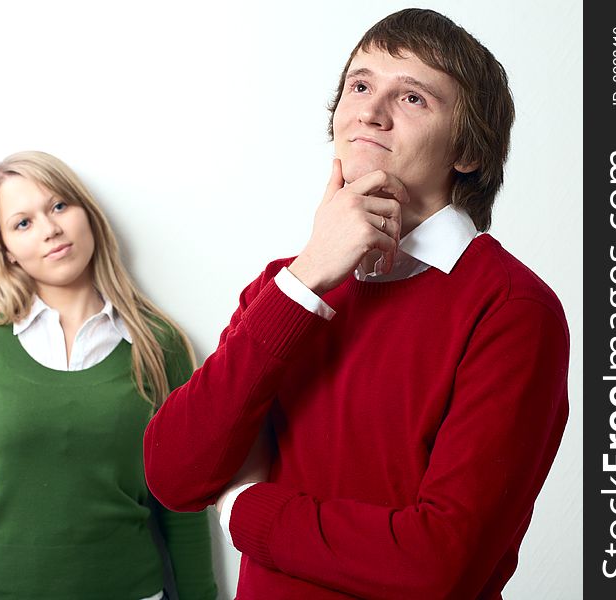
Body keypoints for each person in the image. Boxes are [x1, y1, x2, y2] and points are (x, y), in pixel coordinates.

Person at [144, 8, 569, 600]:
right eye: (361, 86)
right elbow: (173, 474)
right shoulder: (287, 287)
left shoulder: (512, 308)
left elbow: (435, 567)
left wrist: (245, 509)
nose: (371, 110)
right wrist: (308, 277)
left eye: (413, 98)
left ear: (468, 150)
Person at [0, 151, 217, 600]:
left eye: (59, 205)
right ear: (6, 251)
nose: (50, 229)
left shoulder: (161, 345)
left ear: (87, 214)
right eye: (23, 223)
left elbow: (182, 502)